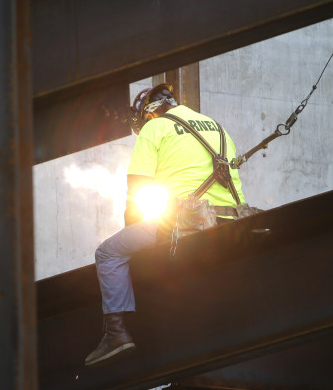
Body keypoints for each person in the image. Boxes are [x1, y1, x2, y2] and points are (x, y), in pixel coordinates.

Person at [84, 83, 250, 366]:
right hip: (233, 219)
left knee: (108, 252)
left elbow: (137, 187)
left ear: (149, 112)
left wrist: (132, 230)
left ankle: (116, 334)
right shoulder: (215, 126)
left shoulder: (155, 128)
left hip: (187, 223)